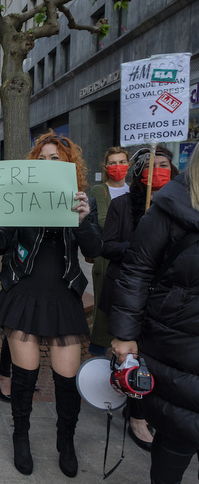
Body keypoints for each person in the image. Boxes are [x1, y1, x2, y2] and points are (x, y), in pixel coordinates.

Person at [0, 131, 102, 477]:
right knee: (24, 377)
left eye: (55, 159)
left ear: (68, 165)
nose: (48, 164)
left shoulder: (80, 200)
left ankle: (66, 441)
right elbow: (0, 245)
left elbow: (93, 249)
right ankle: (21, 437)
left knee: (66, 378)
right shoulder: (19, 196)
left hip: (63, 296)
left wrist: (84, 218)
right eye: (41, 159)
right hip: (24, 294)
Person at [110, 146, 199, 484]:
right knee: (176, 443)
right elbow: (136, 269)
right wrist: (124, 334)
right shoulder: (170, 206)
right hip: (178, 347)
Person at [99, 146, 178, 452]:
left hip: (168, 299)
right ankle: (137, 416)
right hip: (131, 294)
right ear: (141, 174)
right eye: (152, 166)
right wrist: (141, 245)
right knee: (133, 357)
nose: (158, 171)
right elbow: (106, 247)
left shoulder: (184, 206)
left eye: (164, 165)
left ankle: (154, 408)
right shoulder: (122, 206)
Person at [88, 147, 131, 357]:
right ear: (106, 167)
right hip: (106, 260)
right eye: (112, 163)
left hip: (128, 259)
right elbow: (104, 222)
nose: (117, 167)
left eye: (122, 162)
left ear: (129, 165)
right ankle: (96, 356)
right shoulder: (100, 190)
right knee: (103, 313)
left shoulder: (134, 191)